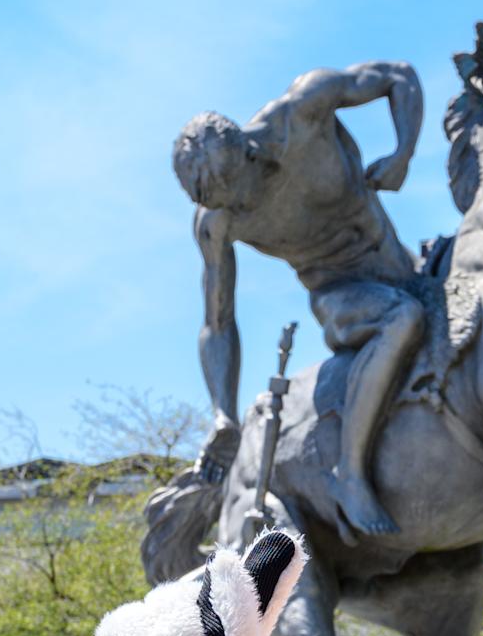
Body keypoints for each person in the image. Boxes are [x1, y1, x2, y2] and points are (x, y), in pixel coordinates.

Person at [172, 61, 426, 544]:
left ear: (249, 151)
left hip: (400, 262)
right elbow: (218, 323)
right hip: (338, 295)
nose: (239, 207)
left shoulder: (302, 110)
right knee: (402, 319)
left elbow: (399, 76)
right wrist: (222, 412)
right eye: (224, 203)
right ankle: (349, 474)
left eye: (239, 192)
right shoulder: (217, 223)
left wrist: (403, 154)